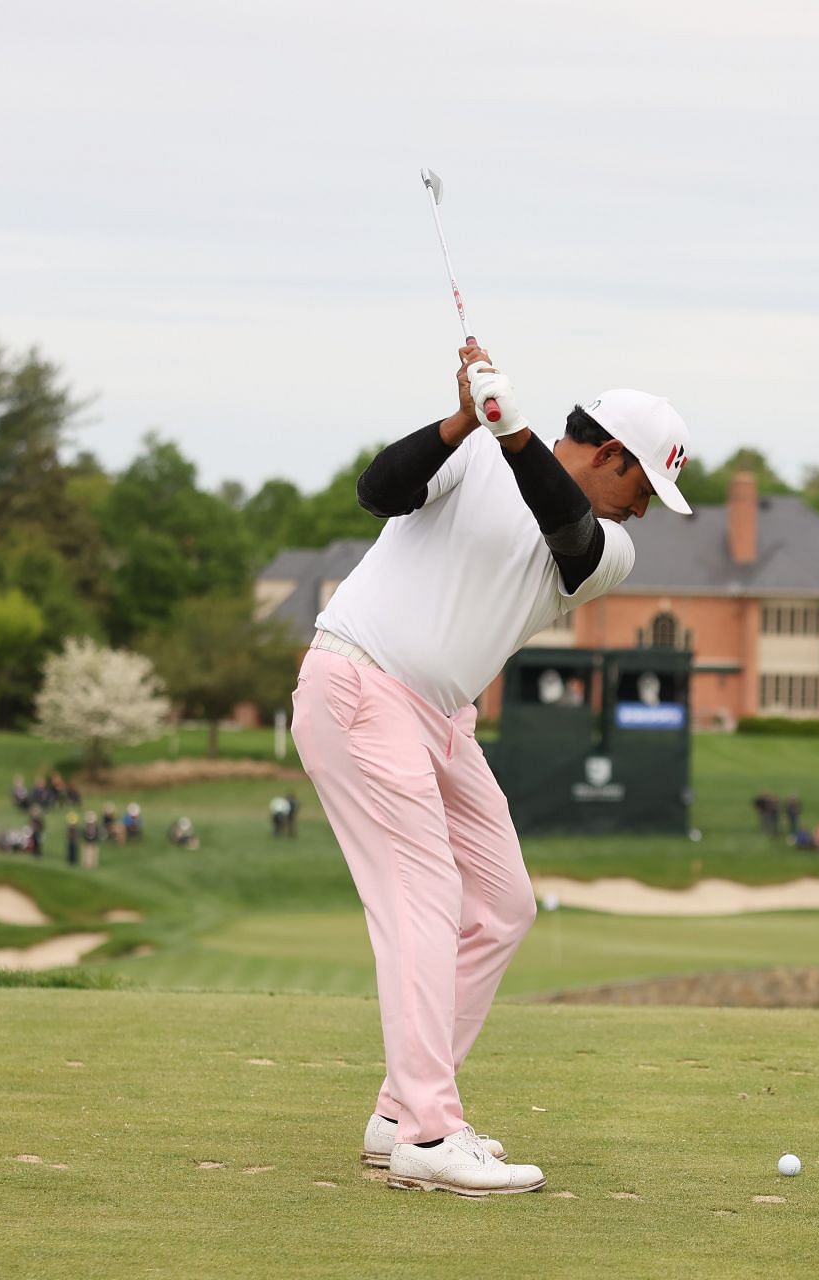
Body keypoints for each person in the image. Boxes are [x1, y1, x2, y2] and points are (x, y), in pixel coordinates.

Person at [291, 344, 688, 1197]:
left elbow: (568, 531)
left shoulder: (608, 547)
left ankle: (401, 1110)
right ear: (612, 454)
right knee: (425, 898)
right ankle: (432, 1134)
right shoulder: (470, 453)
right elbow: (377, 491)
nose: (644, 512)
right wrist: (466, 420)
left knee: (503, 904)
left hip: (440, 717)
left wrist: (515, 435)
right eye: (643, 489)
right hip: (361, 682)